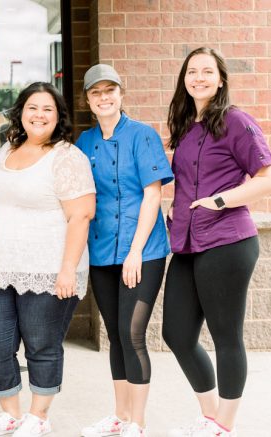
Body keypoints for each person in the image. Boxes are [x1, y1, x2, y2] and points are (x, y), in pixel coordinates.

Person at [0, 82, 96, 437]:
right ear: (20, 113)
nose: (39, 115)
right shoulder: (6, 151)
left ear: (58, 117)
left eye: (47, 109)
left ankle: (39, 416)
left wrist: (67, 270)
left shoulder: (67, 156)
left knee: (41, 344)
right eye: (32, 107)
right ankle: (10, 413)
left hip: (48, 269)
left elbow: (81, 215)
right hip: (0, 270)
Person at [162, 47, 271, 437]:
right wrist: (177, 206)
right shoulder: (186, 125)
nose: (199, 78)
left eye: (208, 72)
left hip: (227, 241)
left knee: (226, 335)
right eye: (192, 71)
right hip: (188, 243)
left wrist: (219, 200)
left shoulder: (236, 122)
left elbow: (266, 175)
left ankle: (225, 424)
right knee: (175, 333)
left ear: (221, 79)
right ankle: (210, 417)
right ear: (184, 79)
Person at [75, 64, 174, 437]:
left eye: (110, 90)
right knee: (115, 334)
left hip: (143, 251)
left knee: (132, 333)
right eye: (96, 92)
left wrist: (134, 252)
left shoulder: (142, 136)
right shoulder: (84, 143)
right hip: (101, 252)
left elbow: (153, 194)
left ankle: (138, 422)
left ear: (121, 94)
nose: (104, 97)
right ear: (88, 100)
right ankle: (119, 416)